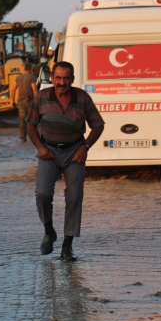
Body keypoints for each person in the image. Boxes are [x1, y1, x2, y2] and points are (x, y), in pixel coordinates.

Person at [26, 61, 105, 261]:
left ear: (72, 80)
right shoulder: (42, 97)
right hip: (48, 152)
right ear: (51, 78)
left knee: (74, 196)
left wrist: (85, 147)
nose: (62, 82)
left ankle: (67, 246)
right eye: (58, 78)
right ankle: (49, 231)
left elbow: (98, 125)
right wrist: (40, 148)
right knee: (42, 193)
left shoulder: (82, 98)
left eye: (66, 78)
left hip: (74, 152)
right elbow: (31, 125)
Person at [11, 63, 38, 142]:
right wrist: (37, 100)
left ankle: (23, 138)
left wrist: (12, 100)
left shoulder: (18, 78)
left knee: (22, 120)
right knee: (32, 120)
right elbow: (34, 89)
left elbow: (13, 89)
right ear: (31, 70)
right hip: (29, 101)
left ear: (24, 70)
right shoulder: (32, 77)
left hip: (20, 102)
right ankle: (34, 137)